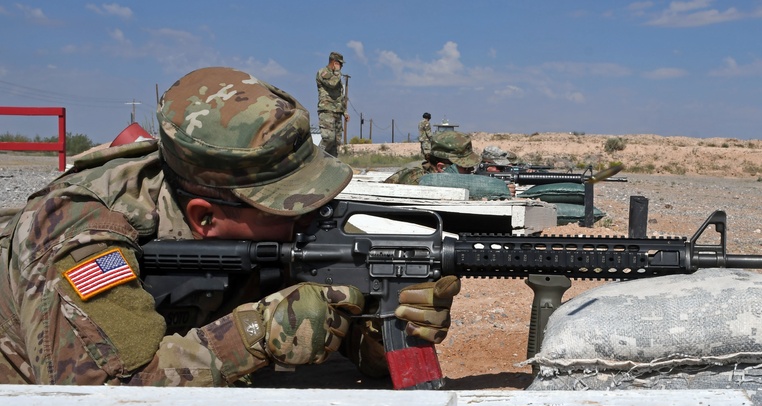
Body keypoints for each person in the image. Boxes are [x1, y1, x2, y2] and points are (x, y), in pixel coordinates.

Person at [0, 66, 458, 386]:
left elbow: (334, 329)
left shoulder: (282, 230)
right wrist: (258, 333)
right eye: (289, 206)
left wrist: (380, 329)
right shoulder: (82, 231)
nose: (310, 218)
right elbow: (102, 396)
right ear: (205, 217)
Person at [384, 131, 515, 197]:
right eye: (465, 167)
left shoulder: (434, 174)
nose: (470, 170)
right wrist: (494, 190)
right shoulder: (416, 178)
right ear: (442, 167)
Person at [316, 51, 350, 156]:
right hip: (327, 110)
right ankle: (315, 157)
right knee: (328, 138)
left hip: (337, 112)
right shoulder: (323, 72)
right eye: (340, 63)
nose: (342, 66)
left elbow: (340, 95)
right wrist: (337, 72)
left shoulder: (337, 76)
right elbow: (332, 84)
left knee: (336, 142)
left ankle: (331, 165)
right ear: (334, 62)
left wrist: (345, 112)